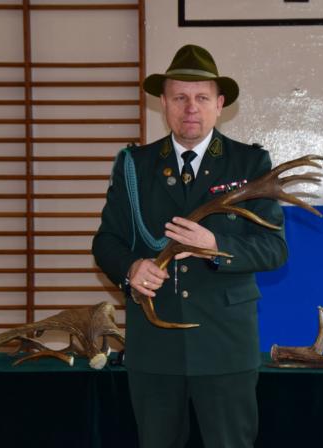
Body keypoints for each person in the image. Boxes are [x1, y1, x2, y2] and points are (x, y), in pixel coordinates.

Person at [92, 44, 288, 448]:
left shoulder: (250, 165)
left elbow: (274, 249)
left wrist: (215, 244)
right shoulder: (135, 164)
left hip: (224, 344)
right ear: (163, 103)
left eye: (201, 97)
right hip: (154, 345)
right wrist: (130, 269)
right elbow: (106, 241)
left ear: (220, 104)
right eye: (180, 97)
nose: (190, 108)